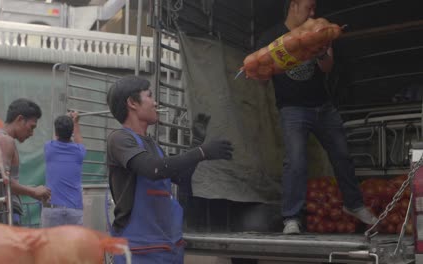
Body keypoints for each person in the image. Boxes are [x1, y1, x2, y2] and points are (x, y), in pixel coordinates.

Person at [257, 0, 377, 234]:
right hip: (292, 109)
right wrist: (262, 68)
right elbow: (262, 81)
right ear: (294, 5)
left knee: (342, 155)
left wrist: (322, 53)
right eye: (308, 7)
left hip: (323, 106)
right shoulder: (271, 38)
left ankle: (354, 204)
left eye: (314, 9)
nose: (313, 13)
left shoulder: (317, 30)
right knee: (296, 160)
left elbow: (326, 68)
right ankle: (291, 217)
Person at [107, 76, 234, 264]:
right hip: (138, 250)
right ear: (132, 103)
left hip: (167, 248)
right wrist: (201, 152)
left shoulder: (152, 145)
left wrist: (196, 143)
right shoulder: (119, 139)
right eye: (149, 96)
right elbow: (153, 169)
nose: (155, 102)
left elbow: (182, 177)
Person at [0, 98, 51, 225]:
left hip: (1, 214)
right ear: (20, 119)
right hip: (4, 215)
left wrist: (31, 190)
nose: (31, 133)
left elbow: (1, 180)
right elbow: (1, 183)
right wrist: (33, 191)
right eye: (31, 127)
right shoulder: (5, 141)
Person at [41, 111, 86, 227]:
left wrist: (66, 119)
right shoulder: (79, 152)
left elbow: (55, 138)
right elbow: (79, 141)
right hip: (74, 210)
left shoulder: (49, 148)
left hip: (52, 209)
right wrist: (75, 122)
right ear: (71, 132)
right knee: (74, 245)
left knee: (50, 245)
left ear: (56, 132)